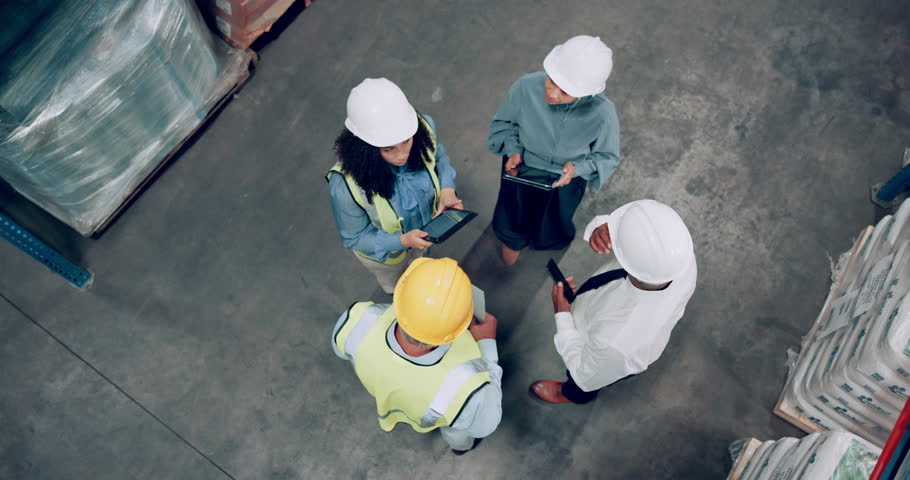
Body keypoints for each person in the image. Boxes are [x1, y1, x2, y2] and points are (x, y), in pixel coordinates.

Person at [529, 200, 697, 404]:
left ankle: (569, 394)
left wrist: (562, 315)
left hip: (603, 357)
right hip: (601, 316)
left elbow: (585, 373)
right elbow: (631, 234)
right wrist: (602, 227)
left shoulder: (618, 343)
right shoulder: (676, 259)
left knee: (583, 382)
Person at [332, 257, 502, 454]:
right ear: (458, 328)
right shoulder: (469, 389)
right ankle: (460, 448)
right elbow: (484, 425)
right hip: (442, 416)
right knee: (457, 430)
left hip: (391, 398)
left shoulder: (357, 318)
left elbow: (340, 349)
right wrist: (487, 348)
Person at [487, 35, 621, 265]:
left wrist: (578, 168)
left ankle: (544, 239)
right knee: (511, 209)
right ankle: (511, 239)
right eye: (552, 80)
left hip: (566, 179)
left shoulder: (603, 113)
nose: (552, 93)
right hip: (521, 166)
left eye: (565, 91)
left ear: (587, 93)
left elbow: (607, 156)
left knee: (554, 218)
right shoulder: (525, 87)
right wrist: (513, 150)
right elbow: (504, 124)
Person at [328, 78, 464, 293]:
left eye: (406, 141)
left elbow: (439, 156)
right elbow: (355, 237)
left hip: (423, 235)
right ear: (366, 148)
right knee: (397, 285)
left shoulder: (422, 130)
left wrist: (447, 187)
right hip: (386, 258)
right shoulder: (344, 185)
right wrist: (401, 241)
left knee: (420, 264)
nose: (403, 154)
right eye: (389, 148)